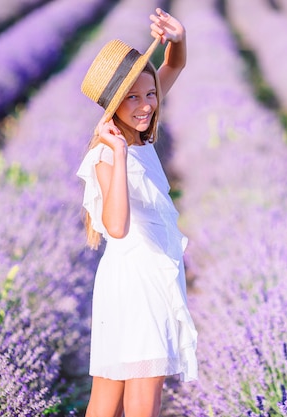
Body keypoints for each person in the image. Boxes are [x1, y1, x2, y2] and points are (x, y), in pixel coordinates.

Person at [76, 8, 197, 417]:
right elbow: (116, 226)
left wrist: (176, 37)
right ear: (113, 106)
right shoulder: (110, 154)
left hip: (140, 278)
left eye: (150, 94)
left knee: (106, 401)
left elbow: (174, 63)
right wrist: (120, 151)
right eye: (132, 97)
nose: (146, 105)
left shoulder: (137, 137)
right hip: (137, 285)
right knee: (141, 402)